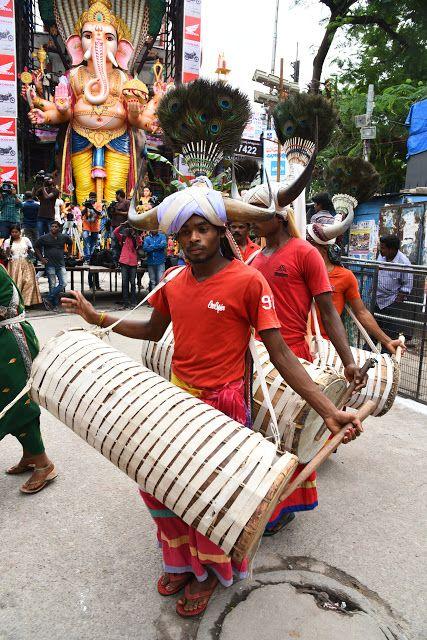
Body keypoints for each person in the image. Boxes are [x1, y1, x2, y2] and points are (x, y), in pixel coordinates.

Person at [63, 183, 362, 617]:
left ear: (222, 231)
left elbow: (279, 355)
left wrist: (329, 411)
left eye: (202, 229)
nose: (193, 239)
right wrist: (99, 318)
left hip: (224, 408)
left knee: (208, 498)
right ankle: (182, 564)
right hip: (177, 400)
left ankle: (206, 574)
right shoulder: (172, 281)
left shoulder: (247, 280)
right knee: (160, 489)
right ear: (175, 238)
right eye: (184, 232)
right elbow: (151, 330)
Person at [244, 183, 366, 535]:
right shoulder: (254, 258)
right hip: (257, 359)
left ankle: (283, 509)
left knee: (288, 439)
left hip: (293, 358)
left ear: (279, 215)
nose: (251, 220)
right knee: (262, 436)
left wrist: (348, 361)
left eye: (257, 212)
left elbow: (328, 313)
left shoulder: (306, 253)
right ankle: (264, 503)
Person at [306, 211, 406, 355]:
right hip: (297, 343)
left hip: (325, 348)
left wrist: (387, 340)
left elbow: (362, 312)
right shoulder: (297, 273)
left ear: (322, 250)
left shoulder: (345, 276)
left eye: (307, 246)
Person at [0, 264, 57, 494]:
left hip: (10, 341)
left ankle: (44, 464)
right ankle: (31, 455)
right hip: (5, 339)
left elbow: (5, 309)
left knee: (16, 404)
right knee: (11, 402)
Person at [375, 235, 413, 341]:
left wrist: (396, 302)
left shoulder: (404, 263)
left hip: (391, 301)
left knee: (389, 334)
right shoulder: (381, 256)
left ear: (392, 249)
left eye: (383, 248)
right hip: (377, 299)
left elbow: (407, 284)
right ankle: (368, 352)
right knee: (373, 331)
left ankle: (386, 354)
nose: (380, 250)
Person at [35, 221, 72, 312]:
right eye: (52, 226)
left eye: (56, 227)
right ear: (50, 228)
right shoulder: (44, 238)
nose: (54, 228)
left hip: (61, 264)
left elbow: (70, 242)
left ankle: (48, 298)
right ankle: (54, 305)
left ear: (59, 228)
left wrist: (69, 254)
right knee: (52, 284)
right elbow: (36, 247)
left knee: (63, 283)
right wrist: (41, 258)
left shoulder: (63, 237)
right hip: (50, 265)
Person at [3, 225, 41, 307]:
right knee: (17, 283)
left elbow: (32, 250)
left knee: (29, 283)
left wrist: (30, 253)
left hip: (26, 263)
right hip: (14, 265)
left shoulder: (25, 239)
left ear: (20, 232)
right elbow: (6, 256)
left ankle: (26, 302)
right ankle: (18, 304)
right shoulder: (7, 241)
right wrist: (7, 252)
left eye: (16, 232)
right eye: (12, 232)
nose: (14, 234)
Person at [113, 222, 142, 308]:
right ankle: (125, 302)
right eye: (127, 229)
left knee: (132, 283)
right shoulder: (123, 237)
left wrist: (135, 233)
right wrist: (122, 225)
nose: (128, 231)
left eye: (130, 230)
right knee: (125, 283)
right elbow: (115, 232)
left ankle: (133, 301)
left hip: (133, 262)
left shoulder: (136, 238)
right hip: (124, 261)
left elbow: (139, 243)